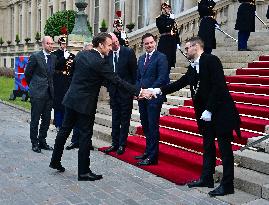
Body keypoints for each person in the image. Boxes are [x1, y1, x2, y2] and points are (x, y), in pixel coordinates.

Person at [49, 32, 153, 181]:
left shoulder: (81, 55)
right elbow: (116, 80)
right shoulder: (100, 62)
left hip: (71, 98)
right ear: (100, 45)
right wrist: (140, 91)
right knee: (85, 136)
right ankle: (83, 171)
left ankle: (55, 160)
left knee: (64, 131)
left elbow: (76, 74)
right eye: (109, 45)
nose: (111, 48)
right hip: (85, 104)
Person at [149, 37, 241, 197]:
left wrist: (210, 109)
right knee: (208, 146)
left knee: (225, 150)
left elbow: (219, 86)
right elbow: (180, 83)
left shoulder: (211, 60)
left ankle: (227, 185)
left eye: (187, 48)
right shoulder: (193, 67)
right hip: (206, 115)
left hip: (221, 113)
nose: (185, 52)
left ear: (196, 47)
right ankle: (206, 178)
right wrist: (158, 91)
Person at [134, 33, 170, 166]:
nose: (149, 45)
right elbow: (138, 77)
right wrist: (138, 91)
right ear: (143, 45)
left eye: (151, 43)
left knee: (153, 126)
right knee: (145, 125)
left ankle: (153, 157)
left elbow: (162, 78)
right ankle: (148, 151)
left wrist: (148, 91)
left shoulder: (161, 57)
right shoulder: (141, 58)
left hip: (154, 97)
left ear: (155, 42)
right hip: (142, 97)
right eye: (146, 43)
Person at [103, 33, 137, 155]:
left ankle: (122, 144)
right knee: (115, 119)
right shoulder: (108, 55)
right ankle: (114, 143)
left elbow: (134, 73)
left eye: (116, 41)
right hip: (114, 93)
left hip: (126, 93)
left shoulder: (128, 52)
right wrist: (109, 87)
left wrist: (134, 90)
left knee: (125, 119)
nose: (115, 44)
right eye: (112, 43)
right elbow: (105, 74)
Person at [25, 36, 56, 153]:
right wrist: (33, 87)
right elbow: (28, 73)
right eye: (48, 43)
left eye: (52, 44)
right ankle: (34, 143)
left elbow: (51, 75)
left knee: (46, 119)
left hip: (49, 93)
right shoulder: (35, 57)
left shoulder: (53, 58)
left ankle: (42, 141)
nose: (51, 46)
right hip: (37, 93)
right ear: (43, 44)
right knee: (35, 119)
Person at [65, 41, 94, 151]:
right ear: (83, 51)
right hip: (77, 95)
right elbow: (70, 75)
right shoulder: (77, 59)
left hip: (89, 96)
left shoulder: (95, 62)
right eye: (88, 51)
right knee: (76, 120)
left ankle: (87, 142)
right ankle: (75, 141)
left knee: (87, 122)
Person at [156, 2, 180, 71]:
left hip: (172, 41)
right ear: (162, 10)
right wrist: (171, 19)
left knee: (171, 61)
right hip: (164, 41)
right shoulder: (159, 19)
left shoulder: (171, 18)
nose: (167, 9)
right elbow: (165, 27)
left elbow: (175, 30)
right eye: (165, 8)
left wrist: (178, 42)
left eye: (168, 8)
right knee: (164, 60)